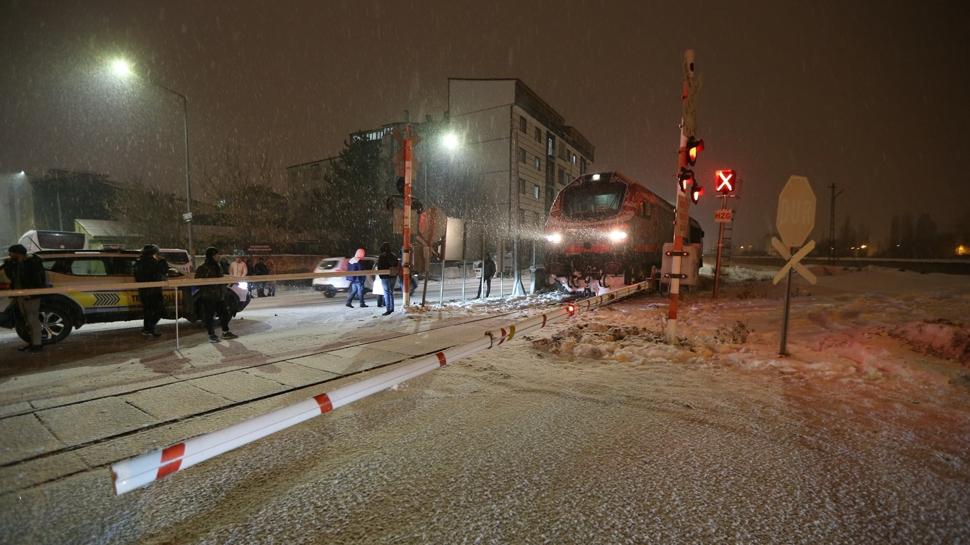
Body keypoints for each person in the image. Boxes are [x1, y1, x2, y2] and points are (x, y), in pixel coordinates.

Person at [4, 244, 46, 352]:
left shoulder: (32, 264)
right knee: (27, 321)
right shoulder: (15, 264)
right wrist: (8, 264)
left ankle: (37, 345)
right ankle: (32, 343)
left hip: (31, 296)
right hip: (20, 296)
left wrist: (31, 292)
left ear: (17, 253)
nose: (9, 255)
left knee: (33, 320)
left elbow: (38, 279)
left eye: (11, 252)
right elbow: (10, 276)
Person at [195, 247, 238, 343]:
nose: (218, 256)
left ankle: (225, 332)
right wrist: (210, 286)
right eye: (216, 255)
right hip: (208, 296)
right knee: (209, 316)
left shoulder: (218, 266)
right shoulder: (203, 268)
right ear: (212, 256)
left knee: (225, 314)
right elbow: (197, 283)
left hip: (219, 296)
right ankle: (211, 335)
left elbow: (220, 280)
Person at [133, 244, 169, 338]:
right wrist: (162, 261)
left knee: (148, 311)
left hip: (144, 291)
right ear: (153, 253)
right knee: (159, 310)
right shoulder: (153, 262)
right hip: (154, 291)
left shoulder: (138, 262)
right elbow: (163, 271)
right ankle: (149, 328)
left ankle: (148, 330)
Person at [377, 242, 399, 316]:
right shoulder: (394, 255)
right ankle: (392, 308)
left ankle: (388, 309)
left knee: (386, 292)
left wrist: (380, 275)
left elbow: (379, 267)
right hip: (393, 276)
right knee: (390, 292)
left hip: (385, 276)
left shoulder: (382, 256)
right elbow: (396, 264)